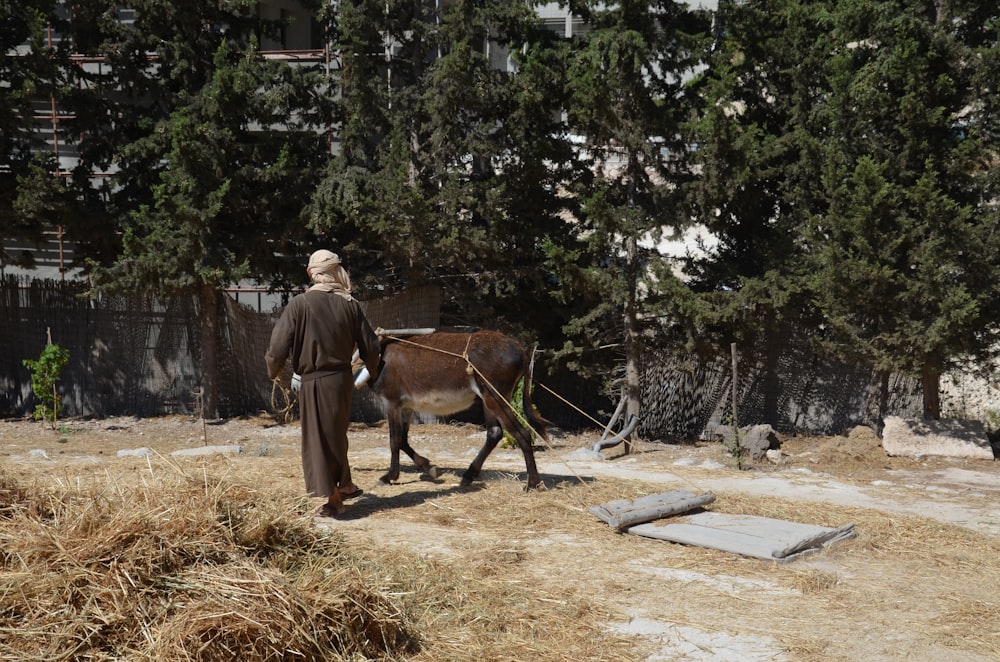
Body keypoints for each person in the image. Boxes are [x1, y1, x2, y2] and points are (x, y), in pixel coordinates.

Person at [265, 249, 381, 518]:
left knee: (317, 441)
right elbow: (371, 347)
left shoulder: (300, 304)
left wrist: (273, 370)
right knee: (336, 434)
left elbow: (278, 346)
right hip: (343, 380)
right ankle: (347, 484)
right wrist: (371, 370)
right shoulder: (350, 304)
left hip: (315, 381)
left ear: (311, 273)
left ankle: (332, 501)